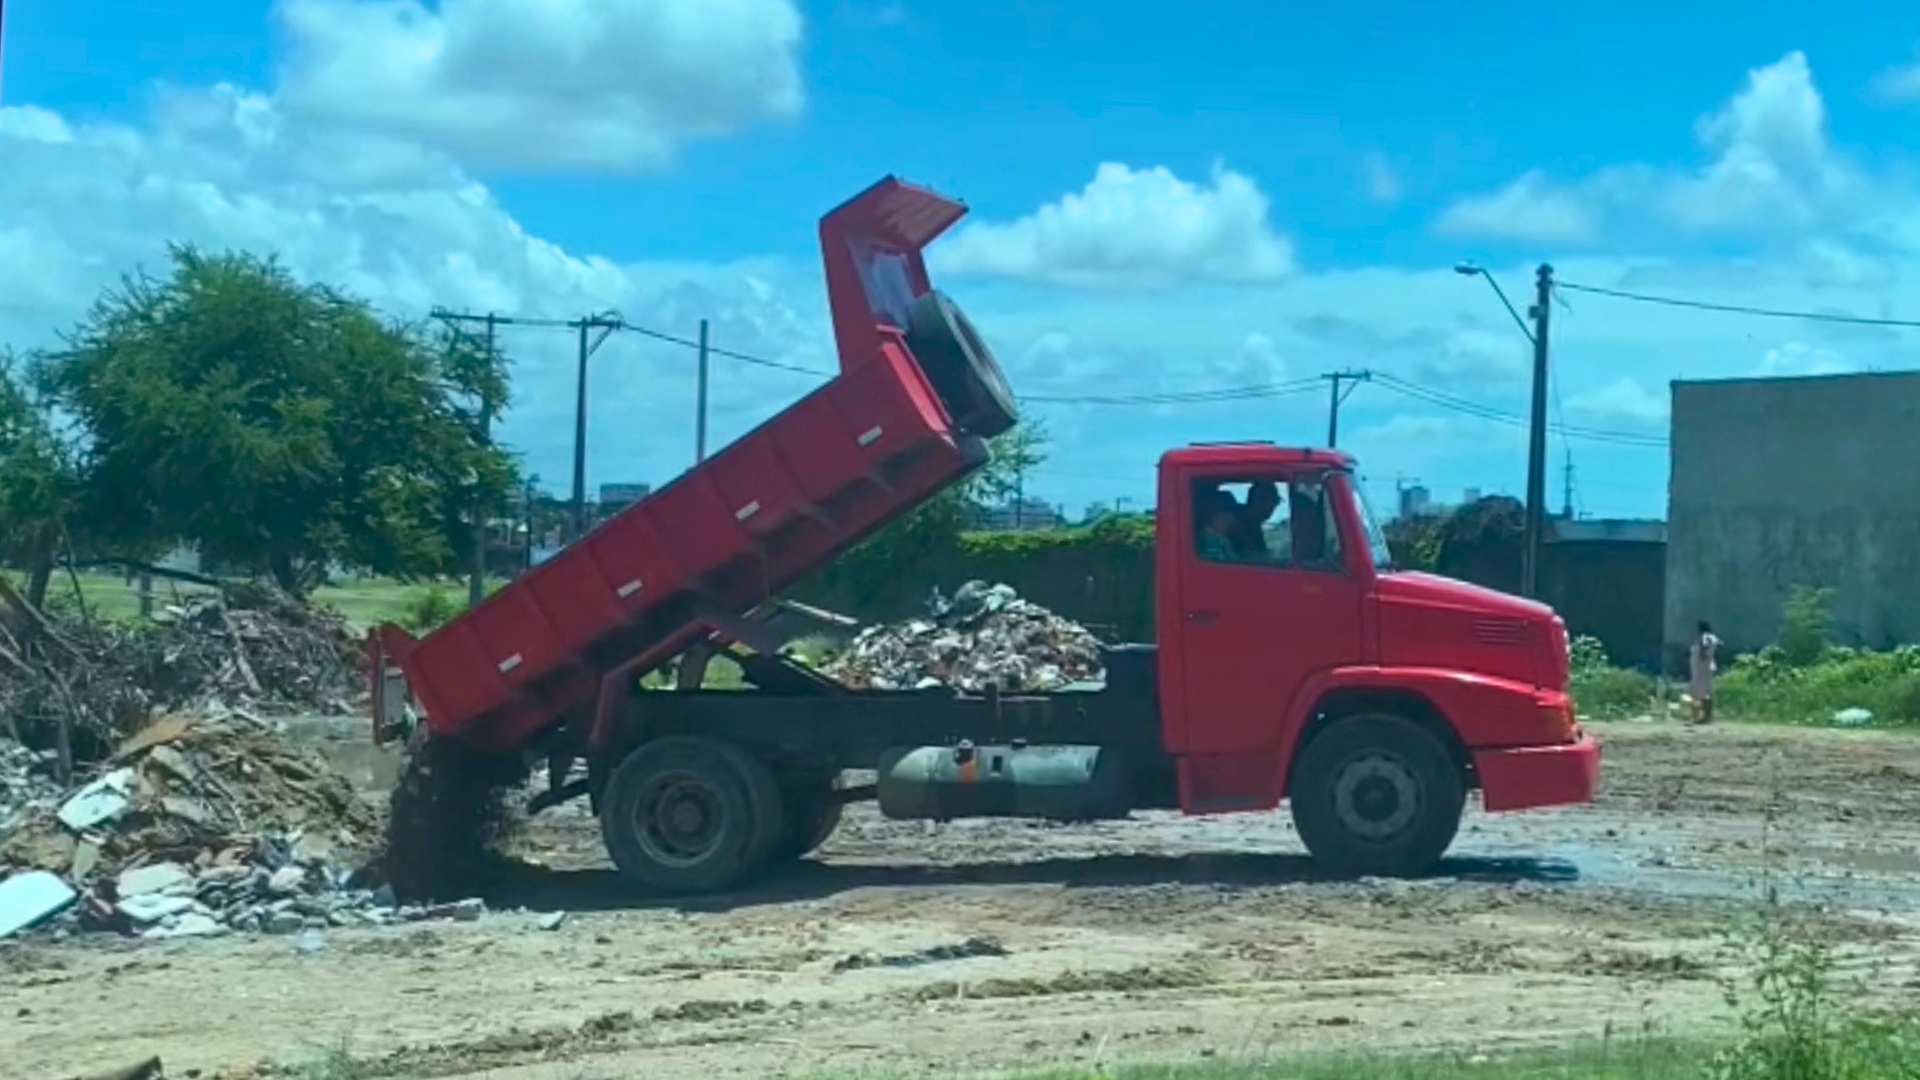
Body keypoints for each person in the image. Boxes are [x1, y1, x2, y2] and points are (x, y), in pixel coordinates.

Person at [1689, 620, 1720, 724]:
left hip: (1703, 668)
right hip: (1706, 667)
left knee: (1703, 691)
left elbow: (1704, 645)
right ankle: (1707, 715)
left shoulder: (1705, 637)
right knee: (1706, 690)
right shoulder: (1713, 637)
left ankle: (1706, 716)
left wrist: (1702, 654)